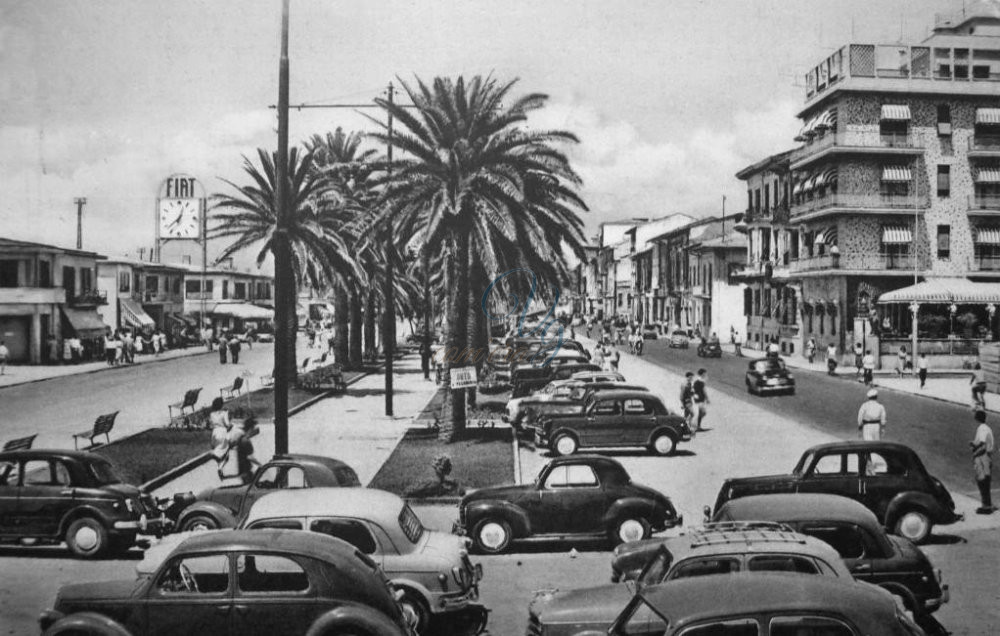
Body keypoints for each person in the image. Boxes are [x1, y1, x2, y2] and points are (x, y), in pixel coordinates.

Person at [970, 408, 995, 514]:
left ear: (977, 418)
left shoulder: (982, 428)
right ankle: (987, 504)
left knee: (982, 481)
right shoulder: (986, 428)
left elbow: (983, 446)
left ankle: (986, 506)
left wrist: (974, 455)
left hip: (982, 457)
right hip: (985, 457)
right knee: (985, 481)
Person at [209, 398, 233, 482]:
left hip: (214, 433)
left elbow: (211, 425)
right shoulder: (224, 413)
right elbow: (228, 424)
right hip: (223, 433)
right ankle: (220, 468)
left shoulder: (211, 414)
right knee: (226, 455)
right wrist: (231, 426)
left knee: (219, 454)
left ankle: (220, 468)